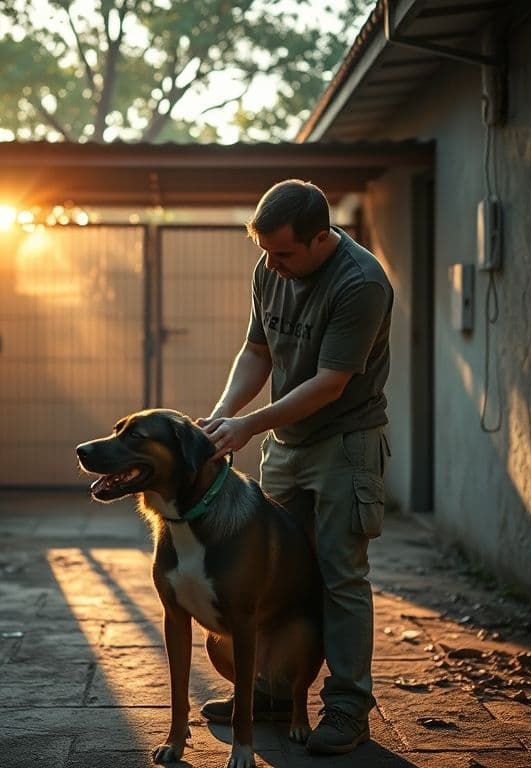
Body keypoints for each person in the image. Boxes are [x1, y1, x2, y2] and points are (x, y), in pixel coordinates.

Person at [198, 179, 393, 755]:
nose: (271, 263)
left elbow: (329, 385)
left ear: (319, 238)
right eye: (264, 250)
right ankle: (272, 692)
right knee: (273, 570)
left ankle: (347, 706)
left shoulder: (361, 283)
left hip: (344, 442)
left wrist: (248, 426)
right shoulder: (270, 268)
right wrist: (223, 414)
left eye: (283, 253)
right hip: (285, 442)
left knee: (340, 574)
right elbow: (258, 350)